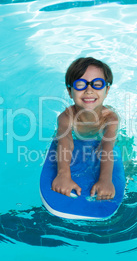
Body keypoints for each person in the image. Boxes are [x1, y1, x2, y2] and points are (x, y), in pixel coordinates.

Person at [51, 57, 119, 200]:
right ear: (70, 91)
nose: (89, 90)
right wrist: (63, 174)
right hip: (75, 140)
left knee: (127, 161)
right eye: (80, 84)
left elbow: (107, 145)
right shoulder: (66, 117)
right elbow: (66, 140)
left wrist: (106, 179)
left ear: (107, 90)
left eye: (97, 84)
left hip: (103, 140)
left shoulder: (110, 118)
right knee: (55, 148)